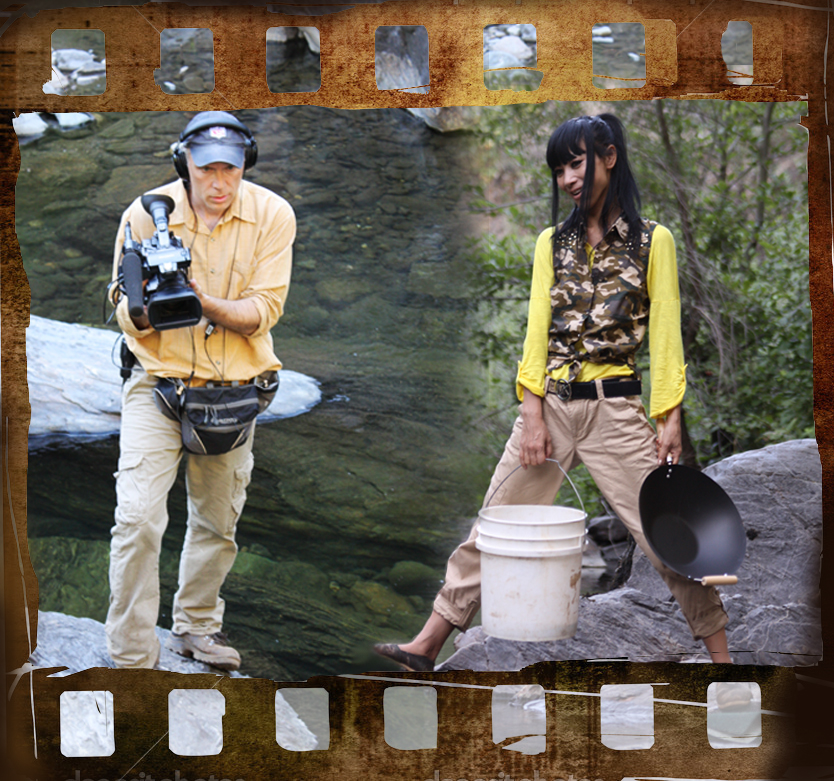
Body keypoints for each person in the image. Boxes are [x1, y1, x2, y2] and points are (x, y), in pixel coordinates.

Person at [374, 113, 731, 671]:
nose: (567, 177)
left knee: (669, 539)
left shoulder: (651, 241)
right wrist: (532, 412)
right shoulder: (552, 243)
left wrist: (669, 416)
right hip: (552, 407)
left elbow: (665, 335)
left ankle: (724, 661)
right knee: (492, 526)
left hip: (616, 410)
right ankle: (426, 644)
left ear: (609, 158)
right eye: (559, 167)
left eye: (577, 161)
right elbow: (536, 330)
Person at [105, 111, 296, 671]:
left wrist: (198, 299)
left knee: (218, 522)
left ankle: (196, 627)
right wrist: (141, 305)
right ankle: (132, 657)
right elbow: (119, 306)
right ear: (182, 163)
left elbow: (264, 311)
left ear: (245, 167)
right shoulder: (145, 214)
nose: (218, 183)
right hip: (157, 384)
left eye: (230, 170)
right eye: (205, 168)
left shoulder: (273, 216)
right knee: (138, 518)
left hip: (236, 391)